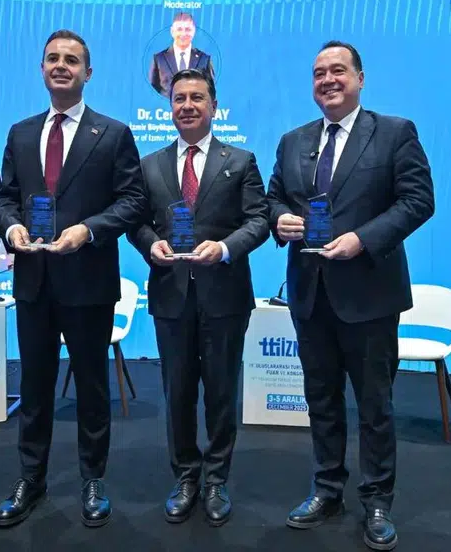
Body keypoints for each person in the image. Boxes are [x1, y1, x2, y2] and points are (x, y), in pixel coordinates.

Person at [266, 40, 434, 550]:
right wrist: (280, 219)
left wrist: (363, 239)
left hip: (369, 294)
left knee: (375, 405)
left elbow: (418, 200)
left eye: (338, 70)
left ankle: (378, 501)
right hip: (310, 293)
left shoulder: (394, 133)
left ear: (360, 78)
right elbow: (274, 197)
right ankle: (327, 489)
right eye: (319, 73)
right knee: (321, 399)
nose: (328, 80)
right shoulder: (293, 141)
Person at [0, 29, 147, 529]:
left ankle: (92, 478)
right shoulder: (20, 133)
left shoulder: (114, 134)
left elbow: (133, 201)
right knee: (34, 386)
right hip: (34, 281)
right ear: (42, 68)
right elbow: (4, 198)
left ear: (88, 72)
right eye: (53, 58)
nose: (61, 66)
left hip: (88, 281)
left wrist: (88, 230)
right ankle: (31, 479)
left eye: (72, 60)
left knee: (92, 388)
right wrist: (11, 226)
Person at [126, 68, 268, 526]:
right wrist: (150, 244)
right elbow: (136, 221)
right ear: (170, 106)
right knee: (178, 393)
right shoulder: (149, 165)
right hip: (171, 295)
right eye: (179, 98)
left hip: (225, 296)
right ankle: (186, 476)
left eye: (197, 98)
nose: (187, 105)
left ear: (213, 106)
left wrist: (225, 248)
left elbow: (259, 221)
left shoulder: (240, 161)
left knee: (222, 393)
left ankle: (216, 479)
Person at [149, 12, 214, 97]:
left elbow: (211, 91)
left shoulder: (204, 59)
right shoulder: (158, 59)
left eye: (188, 29)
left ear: (194, 31)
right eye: (179, 29)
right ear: (172, 31)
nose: (183, 34)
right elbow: (151, 91)